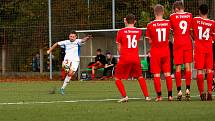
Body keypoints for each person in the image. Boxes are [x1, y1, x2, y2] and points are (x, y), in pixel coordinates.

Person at [115, 13, 151, 103]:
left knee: (117, 78)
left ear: (125, 21)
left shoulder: (120, 31)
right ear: (135, 21)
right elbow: (131, 32)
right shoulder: (138, 31)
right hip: (135, 57)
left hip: (125, 57)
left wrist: (122, 55)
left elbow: (119, 47)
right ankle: (147, 96)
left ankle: (124, 96)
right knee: (140, 76)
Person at [145, 4, 173, 101]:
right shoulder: (168, 23)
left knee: (156, 75)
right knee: (167, 74)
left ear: (154, 13)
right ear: (163, 12)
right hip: (165, 51)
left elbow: (150, 41)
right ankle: (170, 96)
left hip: (155, 52)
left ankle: (159, 96)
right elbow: (169, 36)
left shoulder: (150, 25)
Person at [170, 1, 193, 101]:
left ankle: (179, 90)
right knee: (188, 66)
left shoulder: (172, 16)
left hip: (178, 43)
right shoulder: (189, 15)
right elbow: (191, 30)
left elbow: (171, 31)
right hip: (187, 41)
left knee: (178, 66)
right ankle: (188, 89)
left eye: (174, 9)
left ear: (177, 8)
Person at [192, 4, 215, 101]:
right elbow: (214, 37)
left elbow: (191, 32)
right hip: (209, 48)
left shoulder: (195, 20)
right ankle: (210, 92)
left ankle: (202, 93)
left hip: (199, 48)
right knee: (209, 70)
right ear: (208, 11)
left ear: (199, 11)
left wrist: (195, 38)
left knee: (200, 70)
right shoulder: (212, 23)